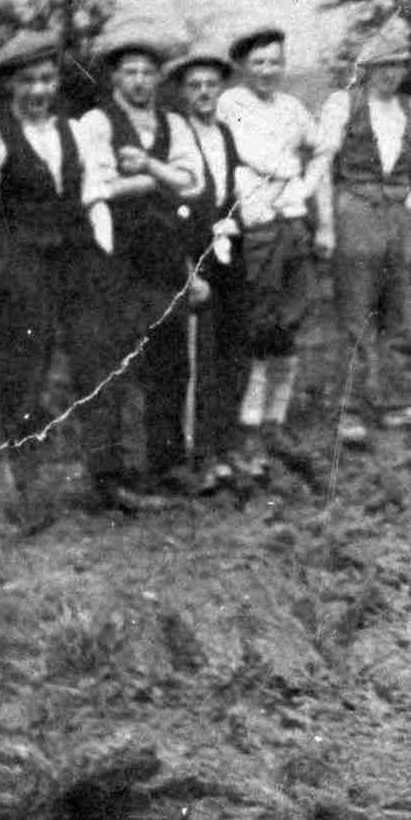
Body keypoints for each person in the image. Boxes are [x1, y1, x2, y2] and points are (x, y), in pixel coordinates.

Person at [0, 30, 136, 518]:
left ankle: (107, 482)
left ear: (58, 81)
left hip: (80, 257)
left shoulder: (77, 132)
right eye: (28, 80)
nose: (38, 90)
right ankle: (26, 491)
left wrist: (105, 252)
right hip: (24, 262)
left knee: (99, 365)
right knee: (25, 373)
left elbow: (95, 197)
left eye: (47, 79)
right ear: (11, 83)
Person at [75, 28, 204, 500]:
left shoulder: (175, 124)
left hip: (167, 256)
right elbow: (97, 187)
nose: (139, 81)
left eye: (148, 72)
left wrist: (148, 168)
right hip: (116, 256)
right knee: (111, 362)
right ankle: (109, 476)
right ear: (114, 77)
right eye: (130, 72)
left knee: (169, 359)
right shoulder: (97, 123)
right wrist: (162, 181)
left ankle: (166, 464)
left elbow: (194, 184)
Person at [311, 20, 411, 446]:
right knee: (355, 313)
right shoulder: (344, 104)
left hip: (399, 214)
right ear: (367, 69)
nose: (391, 74)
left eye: (398, 66)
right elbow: (322, 166)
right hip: (355, 209)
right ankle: (349, 410)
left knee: (400, 311)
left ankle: (397, 403)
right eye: (382, 66)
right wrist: (326, 224)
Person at [217, 25, 322, 477]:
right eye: (258, 63)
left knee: (289, 323)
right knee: (258, 327)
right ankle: (249, 428)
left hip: (293, 224)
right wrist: (287, 170)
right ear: (243, 66)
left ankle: (277, 423)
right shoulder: (231, 103)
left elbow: (322, 149)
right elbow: (254, 155)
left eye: (275, 62)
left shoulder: (293, 107)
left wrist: (303, 183)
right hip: (257, 227)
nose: (267, 71)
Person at [165, 47, 245, 493]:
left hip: (228, 248)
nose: (203, 93)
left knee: (231, 347)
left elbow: (229, 189)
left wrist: (232, 220)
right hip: (192, 250)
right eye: (194, 86)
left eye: (211, 85)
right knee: (199, 355)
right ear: (182, 92)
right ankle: (197, 456)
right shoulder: (178, 137)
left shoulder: (226, 135)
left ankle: (222, 443)